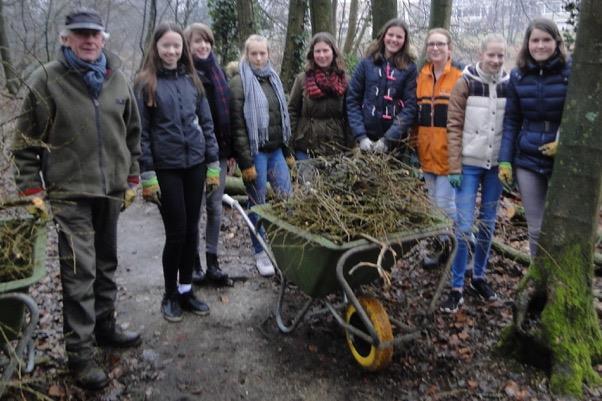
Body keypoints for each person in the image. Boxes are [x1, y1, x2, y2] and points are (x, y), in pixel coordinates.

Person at [12, 8, 141, 390]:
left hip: (110, 191)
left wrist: (132, 175)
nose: (88, 40)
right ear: (65, 38)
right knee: (79, 271)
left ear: (103, 38)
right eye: (80, 34)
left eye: (94, 34)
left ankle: (105, 328)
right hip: (69, 193)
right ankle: (81, 356)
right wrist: (31, 189)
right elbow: (24, 144)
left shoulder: (116, 78)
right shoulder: (46, 80)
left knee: (106, 263)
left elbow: (132, 133)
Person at [135, 23, 219, 322]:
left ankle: (186, 290)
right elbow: (141, 134)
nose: (171, 51)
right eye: (165, 46)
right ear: (156, 49)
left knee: (192, 230)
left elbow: (207, 125)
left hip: (195, 165)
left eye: (176, 46)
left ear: (182, 49)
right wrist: (147, 175)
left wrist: (212, 165)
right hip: (166, 167)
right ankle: (169, 294)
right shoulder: (146, 83)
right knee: (177, 232)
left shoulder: (192, 82)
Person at [440, 34, 510, 313]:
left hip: (495, 167)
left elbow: (513, 124)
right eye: (491, 54)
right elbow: (454, 126)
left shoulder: (509, 85)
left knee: (489, 224)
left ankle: (478, 277)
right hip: (467, 164)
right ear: (481, 54)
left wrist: (508, 163)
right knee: (464, 225)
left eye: (500, 56)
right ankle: (456, 287)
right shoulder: (465, 82)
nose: (495, 60)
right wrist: (454, 166)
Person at [498, 18, 570, 258]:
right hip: (527, 159)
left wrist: (565, 142)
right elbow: (511, 121)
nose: (540, 45)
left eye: (546, 40)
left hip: (563, 161)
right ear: (527, 43)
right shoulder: (518, 75)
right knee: (536, 228)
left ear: (556, 42)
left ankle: (563, 282)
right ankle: (537, 278)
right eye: (535, 40)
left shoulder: (570, 73)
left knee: (564, 228)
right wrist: (505, 160)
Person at [229, 34, 293, 276]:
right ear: (247, 54)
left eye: (262, 53)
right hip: (255, 153)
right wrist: (245, 164)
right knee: (258, 204)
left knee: (287, 198)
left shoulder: (273, 78)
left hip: (275, 150)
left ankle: (286, 247)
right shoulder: (239, 82)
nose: (258, 57)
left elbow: (282, 119)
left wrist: (286, 152)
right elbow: (237, 127)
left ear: (268, 54)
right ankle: (260, 251)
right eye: (253, 53)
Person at [184, 23, 232, 286]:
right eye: (197, 42)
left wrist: (231, 151)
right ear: (188, 46)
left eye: (206, 42)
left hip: (220, 153)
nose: (203, 46)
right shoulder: (184, 75)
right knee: (195, 209)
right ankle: (194, 265)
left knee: (215, 207)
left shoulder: (219, 72)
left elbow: (229, 115)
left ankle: (213, 261)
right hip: (193, 155)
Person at [415, 28, 464, 268]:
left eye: (440, 44)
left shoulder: (459, 77)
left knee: (446, 205)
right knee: (435, 206)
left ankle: (467, 244)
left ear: (449, 49)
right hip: (426, 155)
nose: (435, 48)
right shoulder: (421, 77)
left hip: (449, 156)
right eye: (431, 44)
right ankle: (443, 247)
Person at [346, 18, 417, 154]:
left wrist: (388, 139)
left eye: (399, 37)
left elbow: (410, 107)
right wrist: (361, 136)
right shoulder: (366, 63)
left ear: (404, 40)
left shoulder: (409, 68)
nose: (394, 39)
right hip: (364, 139)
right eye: (390, 35)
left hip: (395, 144)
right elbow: (352, 100)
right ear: (384, 36)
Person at [288, 32, 351, 159]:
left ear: (333, 52)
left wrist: (350, 148)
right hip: (305, 146)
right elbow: (292, 112)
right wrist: (289, 144)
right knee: (306, 180)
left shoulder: (346, 81)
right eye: (317, 51)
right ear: (312, 54)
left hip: (336, 147)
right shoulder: (302, 79)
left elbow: (350, 115)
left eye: (325, 51)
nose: (321, 55)